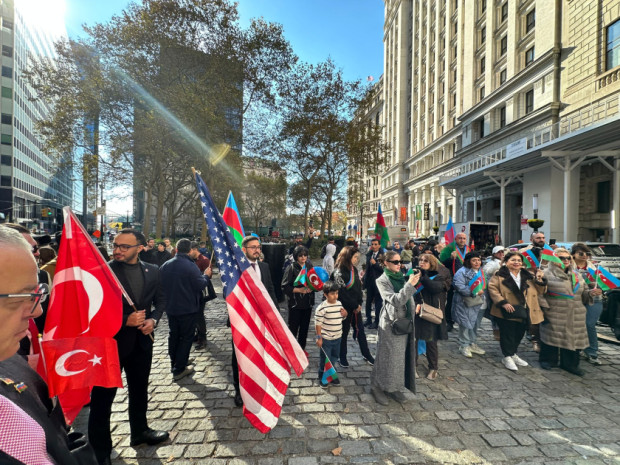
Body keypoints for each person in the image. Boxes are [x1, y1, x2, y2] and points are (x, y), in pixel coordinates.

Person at [0, 226, 98, 465]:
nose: (37, 311)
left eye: (36, 294)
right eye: (21, 297)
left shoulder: (15, 366)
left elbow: (59, 438)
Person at [89, 229, 168, 465]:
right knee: (102, 399)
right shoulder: (103, 272)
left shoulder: (153, 270)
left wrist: (153, 320)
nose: (117, 250)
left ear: (140, 248)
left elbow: (161, 300)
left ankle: (140, 431)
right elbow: (92, 310)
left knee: (139, 390)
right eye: (115, 245)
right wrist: (124, 320)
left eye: (124, 246)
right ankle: (100, 450)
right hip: (110, 345)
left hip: (142, 343)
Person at [231, 236, 279, 406]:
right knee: (239, 357)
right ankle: (239, 391)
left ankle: (258, 386)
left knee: (260, 354)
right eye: (253, 247)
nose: (257, 250)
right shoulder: (236, 268)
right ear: (244, 249)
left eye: (258, 247)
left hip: (262, 320)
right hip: (242, 320)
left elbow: (271, 289)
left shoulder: (264, 267)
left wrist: (275, 314)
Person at [370, 250, 420, 405]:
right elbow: (396, 300)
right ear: (386, 263)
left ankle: (393, 387)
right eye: (396, 262)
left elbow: (408, 296)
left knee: (399, 357)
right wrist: (410, 285)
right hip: (391, 323)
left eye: (400, 262)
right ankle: (377, 386)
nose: (399, 265)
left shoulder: (401, 276)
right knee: (386, 355)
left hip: (405, 321)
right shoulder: (382, 280)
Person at [540, 248, 599, 376]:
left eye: (568, 258)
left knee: (573, 339)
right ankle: (548, 360)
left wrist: (591, 293)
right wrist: (544, 309)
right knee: (552, 336)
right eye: (561, 258)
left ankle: (570, 364)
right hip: (555, 311)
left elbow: (584, 293)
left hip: (576, 312)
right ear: (554, 259)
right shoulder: (545, 273)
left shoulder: (576, 275)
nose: (565, 260)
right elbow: (539, 294)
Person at [160, 239, 212, 381]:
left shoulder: (166, 265)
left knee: (174, 336)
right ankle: (179, 368)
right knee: (186, 337)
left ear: (177, 249)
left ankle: (176, 361)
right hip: (187, 308)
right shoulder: (190, 266)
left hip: (171, 308)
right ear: (190, 250)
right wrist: (206, 276)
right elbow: (200, 285)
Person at [488, 251, 546, 372]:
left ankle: (513, 353)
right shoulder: (499, 274)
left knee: (519, 333)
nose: (516, 262)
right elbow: (493, 289)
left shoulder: (528, 275)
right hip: (507, 309)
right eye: (513, 260)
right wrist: (503, 302)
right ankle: (507, 356)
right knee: (507, 333)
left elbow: (541, 291)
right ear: (506, 261)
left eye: (519, 260)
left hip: (525, 309)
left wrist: (540, 279)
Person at [332, 246, 374, 368]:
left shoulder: (353, 269)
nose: (357, 260)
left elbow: (358, 288)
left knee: (360, 332)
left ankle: (366, 354)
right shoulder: (338, 272)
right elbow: (342, 293)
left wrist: (359, 303)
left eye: (358, 257)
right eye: (355, 257)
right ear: (347, 257)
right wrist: (355, 305)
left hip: (356, 308)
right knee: (343, 333)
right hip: (343, 308)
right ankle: (342, 357)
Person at [413, 253, 451, 380]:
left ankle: (433, 368)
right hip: (417, 311)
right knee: (414, 340)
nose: (422, 262)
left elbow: (435, 288)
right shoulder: (415, 274)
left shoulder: (439, 276)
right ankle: (413, 367)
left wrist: (423, 277)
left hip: (431, 312)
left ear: (432, 263)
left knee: (431, 341)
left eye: (426, 261)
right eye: (420, 260)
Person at [571, 243, 604, 365]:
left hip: (594, 299)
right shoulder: (569, 266)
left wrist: (599, 287)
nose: (584, 255)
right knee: (576, 324)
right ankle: (577, 348)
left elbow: (603, 284)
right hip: (576, 299)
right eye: (581, 253)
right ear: (573, 255)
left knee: (589, 324)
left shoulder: (595, 267)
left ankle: (592, 352)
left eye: (587, 253)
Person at [452, 252, 487, 358]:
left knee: (475, 324)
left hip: (480, 302)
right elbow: (459, 286)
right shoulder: (462, 272)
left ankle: (472, 342)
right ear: (468, 261)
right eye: (474, 260)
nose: (477, 262)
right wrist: (474, 292)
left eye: (478, 260)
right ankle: (464, 345)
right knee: (465, 324)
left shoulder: (481, 271)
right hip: (465, 302)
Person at [282, 245, 315, 353]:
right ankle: (291, 351)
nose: (303, 257)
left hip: (308, 303)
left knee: (304, 329)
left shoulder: (310, 266)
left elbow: (315, 281)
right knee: (293, 328)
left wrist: (313, 287)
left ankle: (302, 349)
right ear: (296, 256)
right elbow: (284, 287)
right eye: (300, 255)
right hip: (295, 304)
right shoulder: (291, 268)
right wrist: (299, 290)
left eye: (305, 255)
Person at [315, 280, 347, 388]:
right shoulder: (322, 308)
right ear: (325, 294)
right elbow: (318, 324)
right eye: (332, 294)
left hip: (337, 337)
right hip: (326, 339)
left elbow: (341, 317)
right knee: (325, 359)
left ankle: (332, 376)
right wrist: (319, 337)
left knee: (334, 357)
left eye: (337, 293)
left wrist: (345, 314)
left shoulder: (339, 304)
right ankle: (322, 376)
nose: (335, 296)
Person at [441, 232, 469, 331]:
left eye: (464, 238)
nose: (462, 240)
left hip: (466, 279)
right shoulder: (449, 248)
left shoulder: (468, 249)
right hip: (452, 279)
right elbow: (442, 263)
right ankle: (449, 321)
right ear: (456, 239)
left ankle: (463, 321)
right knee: (451, 301)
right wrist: (451, 258)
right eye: (460, 238)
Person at [189, 242, 212, 350]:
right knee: (194, 315)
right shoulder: (191, 260)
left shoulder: (204, 260)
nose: (189, 253)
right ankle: (197, 334)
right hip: (191, 292)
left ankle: (202, 338)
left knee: (199, 316)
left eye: (190, 251)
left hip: (201, 292)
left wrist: (202, 275)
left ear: (195, 249)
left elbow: (209, 276)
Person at [483, 246, 506, 341]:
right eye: (498, 252)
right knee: (494, 309)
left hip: (505, 290)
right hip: (494, 289)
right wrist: (500, 264)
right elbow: (487, 271)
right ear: (494, 254)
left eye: (502, 252)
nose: (501, 254)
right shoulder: (490, 263)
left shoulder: (509, 261)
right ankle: (496, 329)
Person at [364, 239, 385, 328]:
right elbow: (367, 268)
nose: (374, 246)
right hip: (370, 282)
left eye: (376, 244)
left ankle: (377, 321)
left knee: (378, 303)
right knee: (368, 302)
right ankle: (368, 319)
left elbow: (384, 269)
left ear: (379, 245)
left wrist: (375, 264)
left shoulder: (383, 255)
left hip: (378, 283)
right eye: (372, 244)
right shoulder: (369, 254)